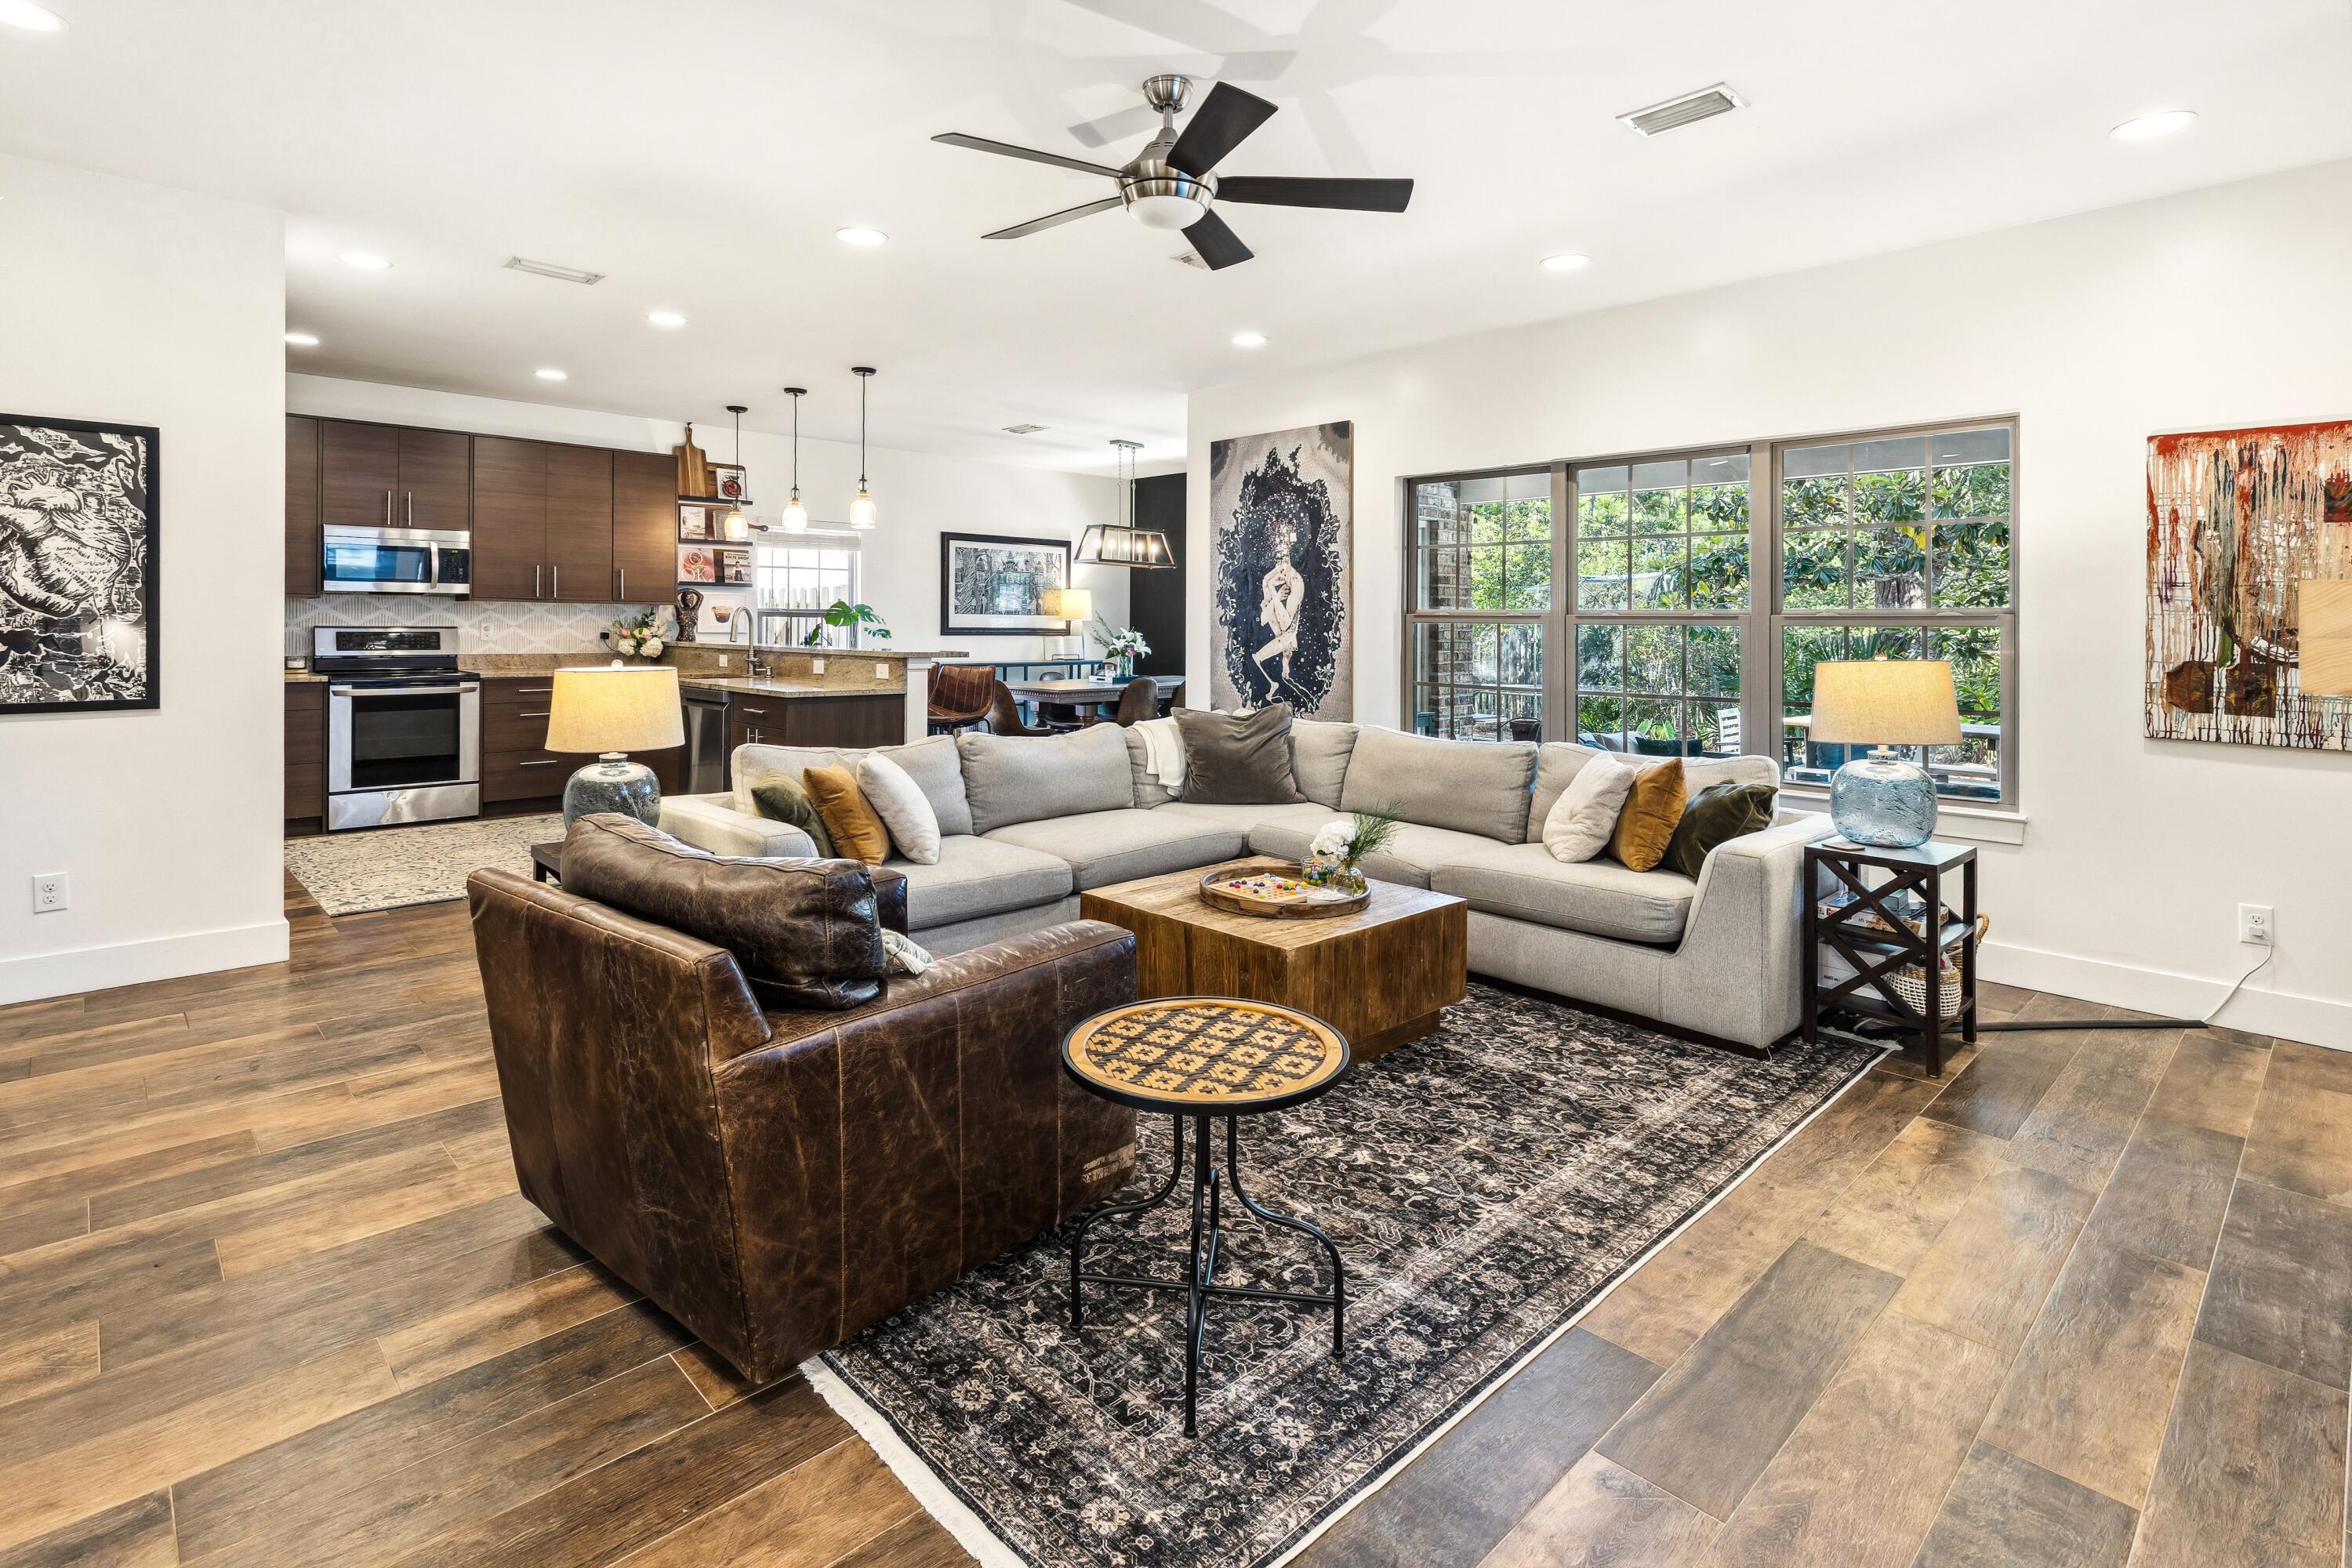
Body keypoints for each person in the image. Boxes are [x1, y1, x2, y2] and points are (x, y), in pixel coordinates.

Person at [1252, 535, 1305, 698]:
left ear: (1289, 559)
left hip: (1286, 634)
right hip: (1282, 633)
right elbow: (1264, 619)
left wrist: (1275, 594)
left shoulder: (1295, 585)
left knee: (1257, 658)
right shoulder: (1277, 573)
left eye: (1283, 561)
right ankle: (1279, 678)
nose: (1278, 567)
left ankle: (1274, 684)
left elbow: (1287, 625)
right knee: (1262, 658)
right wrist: (1271, 588)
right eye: (1277, 561)